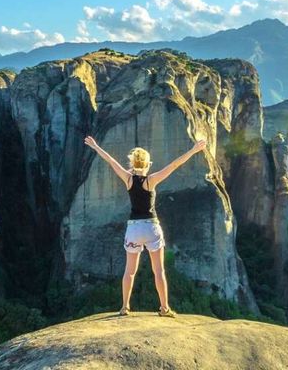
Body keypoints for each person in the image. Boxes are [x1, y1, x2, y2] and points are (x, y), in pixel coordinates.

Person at [83, 135, 207, 317]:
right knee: (158, 271)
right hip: (151, 227)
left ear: (133, 164)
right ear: (148, 164)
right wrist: (194, 150)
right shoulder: (151, 180)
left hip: (133, 229)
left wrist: (95, 146)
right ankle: (164, 308)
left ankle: (125, 307)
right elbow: (174, 165)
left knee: (129, 271)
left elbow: (111, 161)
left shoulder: (128, 179)